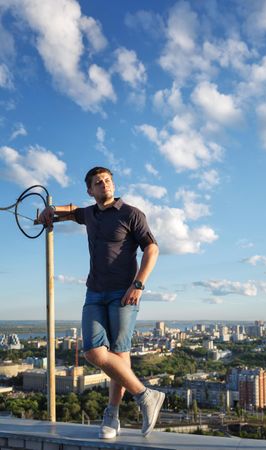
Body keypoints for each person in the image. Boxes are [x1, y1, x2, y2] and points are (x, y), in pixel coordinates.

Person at [38, 166, 165, 439]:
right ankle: (145, 396)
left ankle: (112, 415)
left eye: (108, 180)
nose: (105, 184)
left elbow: (152, 248)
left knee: (119, 354)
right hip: (94, 291)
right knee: (94, 352)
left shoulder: (131, 214)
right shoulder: (90, 214)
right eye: (98, 182)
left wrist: (138, 284)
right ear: (90, 190)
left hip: (124, 293)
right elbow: (72, 211)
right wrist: (50, 213)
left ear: (113, 184)